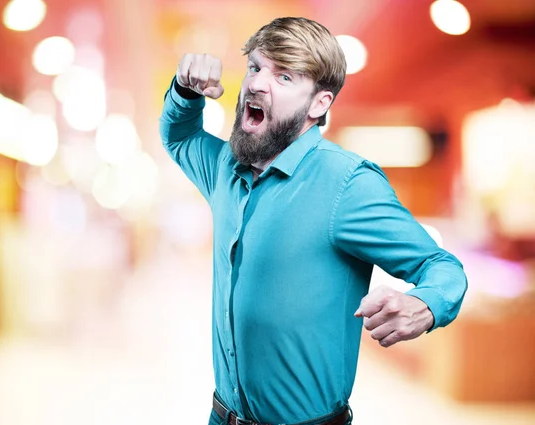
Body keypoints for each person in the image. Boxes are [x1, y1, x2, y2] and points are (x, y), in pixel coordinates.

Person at [159, 16, 467, 425]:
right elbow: (179, 135)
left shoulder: (347, 185)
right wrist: (185, 90)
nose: (255, 84)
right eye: (255, 67)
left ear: (319, 103)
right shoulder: (225, 168)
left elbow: (442, 267)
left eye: (284, 77)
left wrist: (425, 305)